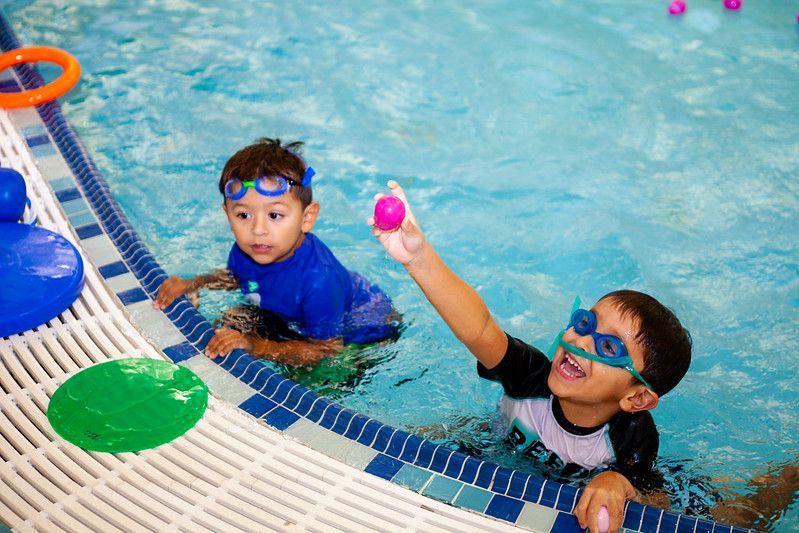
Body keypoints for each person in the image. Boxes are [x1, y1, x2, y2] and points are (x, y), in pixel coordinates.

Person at [368, 181, 692, 533]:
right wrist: (418, 258)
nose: (581, 342)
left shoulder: (632, 436)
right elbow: (479, 329)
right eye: (586, 323)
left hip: (558, 495)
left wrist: (617, 482)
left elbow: (656, 498)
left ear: (637, 396)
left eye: (609, 347)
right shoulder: (530, 374)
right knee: (407, 449)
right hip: (489, 448)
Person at [154, 138, 400, 366]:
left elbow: (326, 350)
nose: (258, 229)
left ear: (307, 218)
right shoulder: (245, 250)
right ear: (227, 215)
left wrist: (256, 346)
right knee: (228, 324)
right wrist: (194, 283)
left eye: (274, 215)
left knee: (317, 377)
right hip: (291, 314)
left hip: (365, 330)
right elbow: (237, 278)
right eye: (243, 215)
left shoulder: (319, 281)